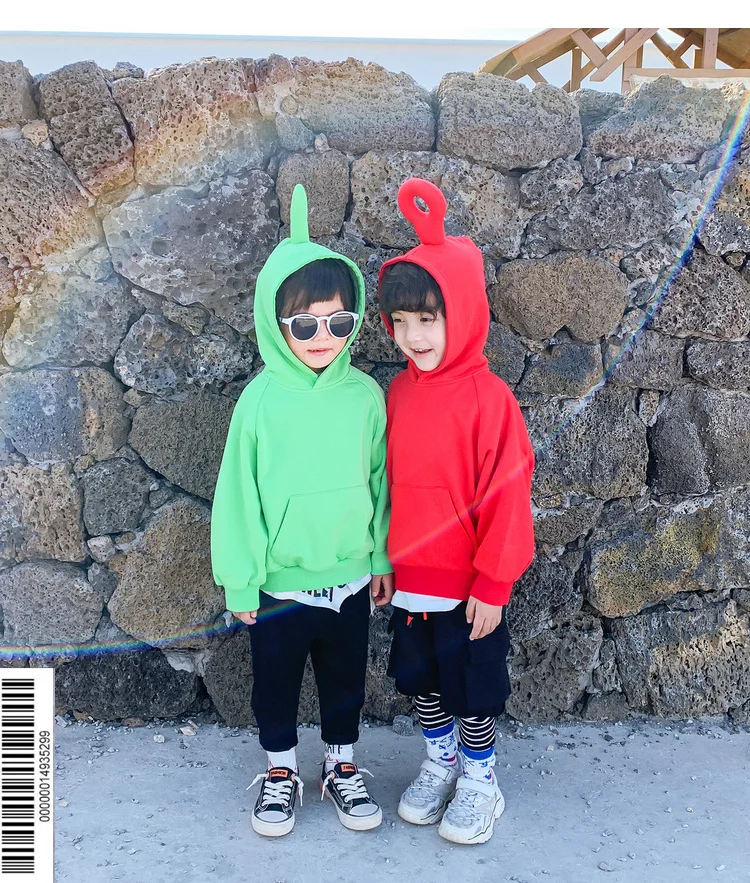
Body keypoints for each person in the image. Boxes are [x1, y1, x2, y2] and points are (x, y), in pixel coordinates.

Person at [211, 184, 393, 838]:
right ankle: (280, 772)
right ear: (276, 323)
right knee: (276, 685)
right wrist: (241, 579)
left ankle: (340, 766)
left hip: (349, 578)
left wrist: (380, 557)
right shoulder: (260, 403)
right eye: (305, 324)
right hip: (280, 585)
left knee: (346, 682)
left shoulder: (365, 396)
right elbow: (239, 494)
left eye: (339, 323)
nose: (323, 337)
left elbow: (380, 480)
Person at [377, 178, 535, 845]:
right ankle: (439, 761)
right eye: (401, 321)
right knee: (422, 682)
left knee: (472, 688)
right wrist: (383, 560)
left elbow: (508, 495)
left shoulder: (490, 399)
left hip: (469, 587)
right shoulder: (397, 393)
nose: (413, 335)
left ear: (462, 313)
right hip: (412, 580)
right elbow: (385, 485)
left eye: (429, 319)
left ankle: (479, 777)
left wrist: (494, 583)